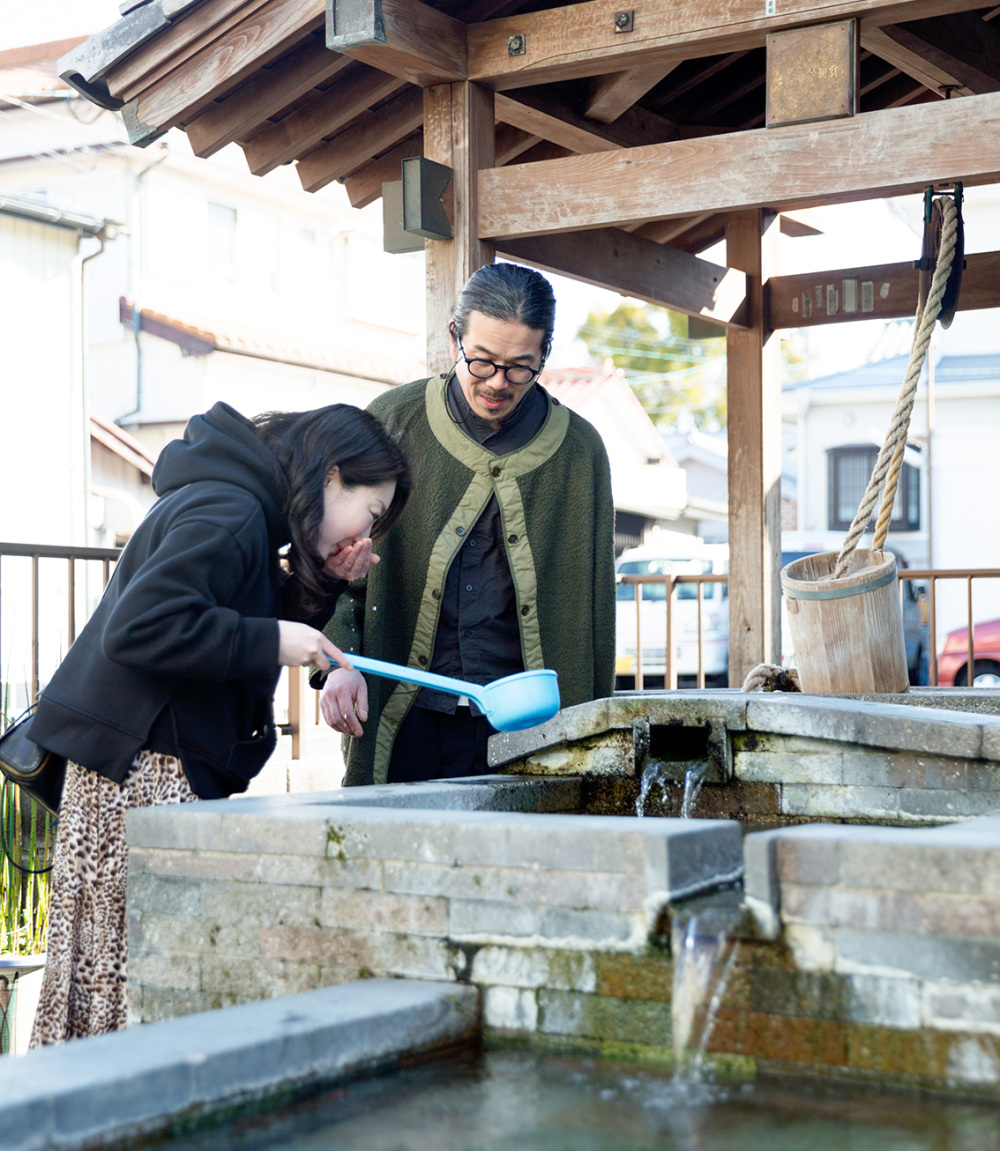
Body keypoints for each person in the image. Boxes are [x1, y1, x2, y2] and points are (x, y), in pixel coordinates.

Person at [27, 400, 410, 1045]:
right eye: (370, 514)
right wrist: (270, 642)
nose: (364, 536)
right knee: (136, 987)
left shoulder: (243, 509)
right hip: (143, 771)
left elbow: (222, 616)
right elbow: (142, 628)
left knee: (105, 981)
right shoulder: (231, 510)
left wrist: (324, 586)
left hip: (139, 766)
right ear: (331, 477)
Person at [319, 263, 616, 786]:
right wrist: (335, 663)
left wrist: (594, 733)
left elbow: (596, 616)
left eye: (521, 367)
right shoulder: (393, 421)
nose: (498, 383)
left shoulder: (579, 452)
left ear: (545, 354)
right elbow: (330, 565)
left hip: (535, 728)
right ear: (456, 336)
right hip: (405, 715)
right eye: (482, 361)